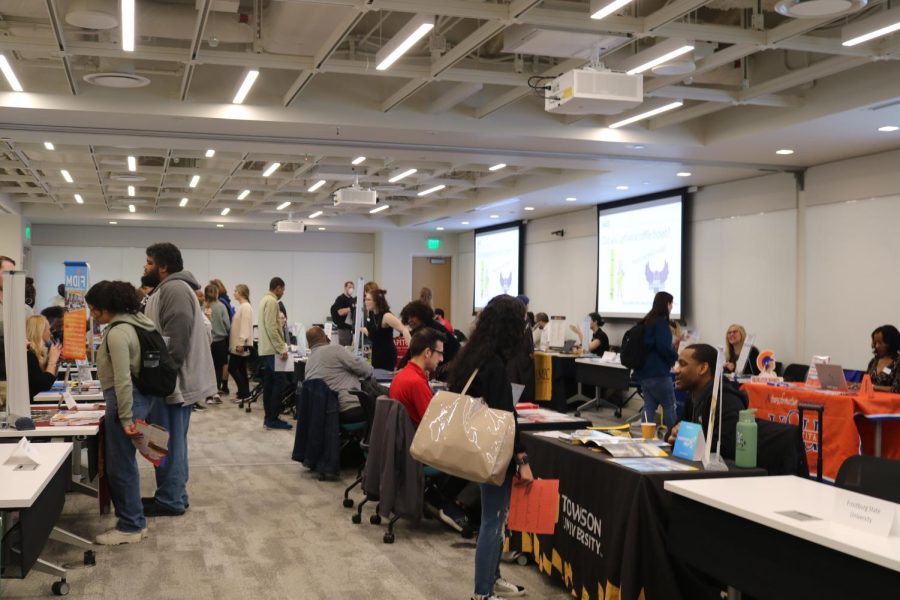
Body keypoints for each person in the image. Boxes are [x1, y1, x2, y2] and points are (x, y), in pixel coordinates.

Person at [448, 294, 533, 600]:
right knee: (493, 522)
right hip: (495, 450)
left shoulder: (473, 355)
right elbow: (506, 417)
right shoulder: (494, 365)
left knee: (494, 519)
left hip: (477, 445)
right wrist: (522, 458)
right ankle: (482, 592)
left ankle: (492, 578)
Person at [142, 242, 217, 517]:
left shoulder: (174, 289)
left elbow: (175, 340)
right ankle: (173, 495)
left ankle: (170, 500)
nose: (145, 267)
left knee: (167, 444)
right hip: (171, 382)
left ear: (163, 267)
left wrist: (162, 377)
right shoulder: (169, 289)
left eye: (149, 262)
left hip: (173, 384)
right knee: (169, 443)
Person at [86, 281, 160, 544]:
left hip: (123, 402)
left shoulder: (118, 333)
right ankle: (135, 522)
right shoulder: (139, 322)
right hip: (138, 399)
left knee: (120, 466)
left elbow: (122, 380)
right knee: (125, 464)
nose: (93, 315)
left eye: (95, 310)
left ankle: (129, 526)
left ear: (108, 307)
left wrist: (126, 417)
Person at [667, 343, 747, 460]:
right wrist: (675, 436)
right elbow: (671, 433)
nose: (676, 370)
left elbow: (725, 449)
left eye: (682, 364)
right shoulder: (693, 396)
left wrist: (684, 440)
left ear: (703, 368)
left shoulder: (726, 400)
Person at [304, 326, 374, 423]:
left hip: (324, 414)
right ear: (325, 337)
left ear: (309, 344)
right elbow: (365, 369)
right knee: (383, 407)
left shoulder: (308, 362)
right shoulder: (336, 349)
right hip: (348, 408)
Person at [634, 291, 679, 431]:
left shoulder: (647, 322)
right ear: (667, 304)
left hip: (644, 373)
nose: (672, 307)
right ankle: (673, 437)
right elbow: (663, 347)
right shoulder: (661, 323)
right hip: (659, 373)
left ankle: (645, 437)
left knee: (649, 406)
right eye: (671, 303)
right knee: (669, 405)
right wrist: (675, 357)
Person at [257, 276, 292, 430]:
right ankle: (272, 418)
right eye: (283, 289)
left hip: (265, 349)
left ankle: (269, 417)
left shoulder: (263, 300)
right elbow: (272, 327)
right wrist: (281, 348)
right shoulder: (272, 302)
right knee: (279, 382)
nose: (283, 293)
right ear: (277, 288)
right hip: (272, 350)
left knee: (270, 384)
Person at [390, 328, 444, 426]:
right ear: (427, 352)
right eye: (440, 353)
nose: (441, 359)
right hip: (417, 439)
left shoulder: (401, 375)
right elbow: (434, 425)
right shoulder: (416, 382)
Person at [398, 300, 459, 376]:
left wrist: (402, 369)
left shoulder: (432, 330)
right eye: (408, 317)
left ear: (421, 315)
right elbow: (412, 352)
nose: (409, 320)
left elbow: (415, 354)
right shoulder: (421, 329)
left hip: (452, 367)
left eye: (413, 316)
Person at [362, 287, 411, 371]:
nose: (365, 302)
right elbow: (374, 333)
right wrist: (363, 330)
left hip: (386, 356)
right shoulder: (371, 313)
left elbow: (404, 329)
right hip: (375, 354)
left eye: (368, 300)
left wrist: (413, 351)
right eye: (365, 299)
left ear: (376, 301)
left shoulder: (386, 316)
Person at [204, 283, 230, 404]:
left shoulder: (202, 306)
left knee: (207, 368)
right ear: (217, 293)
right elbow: (227, 325)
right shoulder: (221, 306)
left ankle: (207, 395)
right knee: (218, 368)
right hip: (220, 342)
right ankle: (216, 392)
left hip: (206, 342)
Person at [25, 315, 61, 400]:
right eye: (48, 329)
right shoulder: (29, 355)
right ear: (41, 331)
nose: (50, 333)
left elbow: (48, 378)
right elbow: (45, 384)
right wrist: (52, 360)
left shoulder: (36, 353)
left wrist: (55, 361)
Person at [228, 284, 253, 403]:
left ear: (241, 293)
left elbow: (245, 326)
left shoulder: (246, 307)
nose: (234, 293)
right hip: (238, 343)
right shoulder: (243, 306)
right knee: (242, 369)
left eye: (235, 291)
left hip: (240, 344)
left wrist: (241, 342)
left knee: (232, 368)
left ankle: (244, 393)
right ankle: (244, 394)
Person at [210, 278, 233, 394]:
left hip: (213, 339)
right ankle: (222, 386)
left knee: (216, 365)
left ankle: (215, 388)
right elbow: (228, 324)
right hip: (223, 338)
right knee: (222, 363)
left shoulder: (213, 304)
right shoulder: (225, 302)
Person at [867, 325, 900, 393]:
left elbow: (897, 389)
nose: (877, 346)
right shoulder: (874, 361)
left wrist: (873, 387)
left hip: (889, 402)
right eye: (875, 342)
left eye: (880, 342)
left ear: (891, 342)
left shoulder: (898, 362)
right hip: (869, 401)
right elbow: (865, 382)